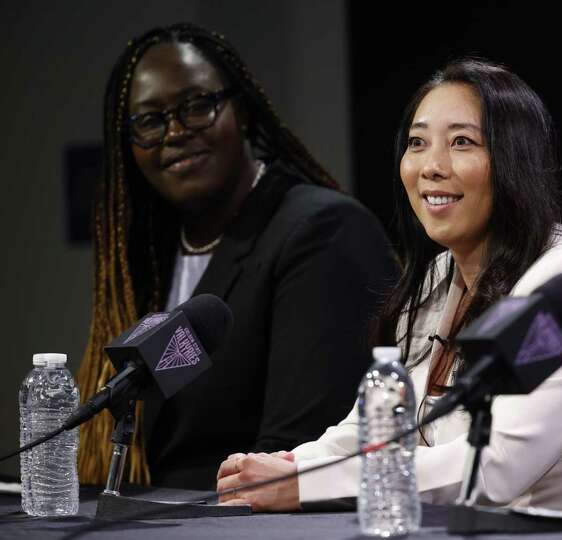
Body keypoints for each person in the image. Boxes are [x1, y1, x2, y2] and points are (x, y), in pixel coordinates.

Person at [215, 58, 562, 514]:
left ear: (515, 160)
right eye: (417, 143)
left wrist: (306, 485)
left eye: (461, 142)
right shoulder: (437, 279)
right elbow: (374, 432)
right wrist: (286, 466)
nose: (430, 166)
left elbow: (494, 465)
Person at [76, 23, 396, 489]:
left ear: (242, 110)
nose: (176, 132)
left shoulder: (322, 232)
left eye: (198, 106)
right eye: (150, 121)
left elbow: (294, 454)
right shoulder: (147, 257)